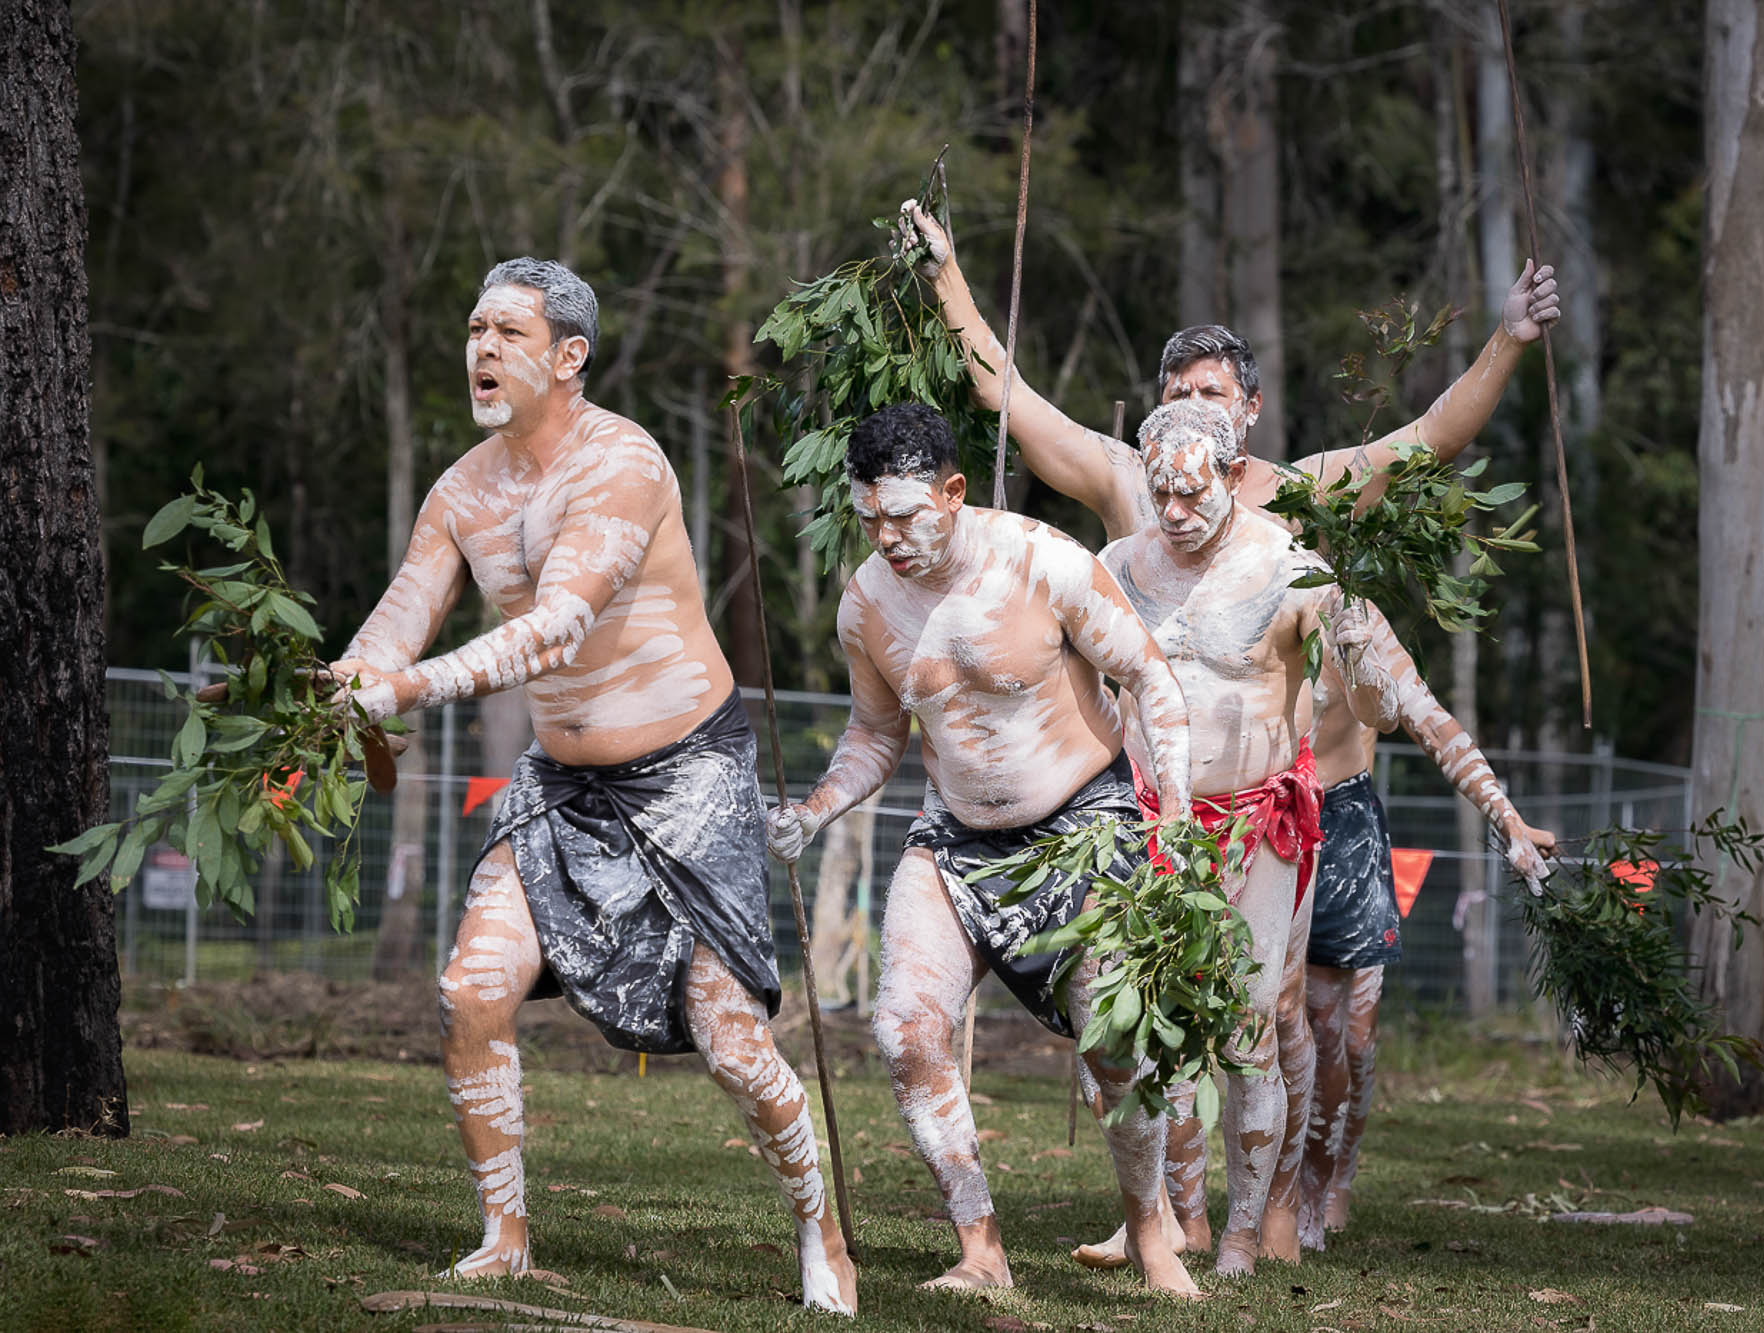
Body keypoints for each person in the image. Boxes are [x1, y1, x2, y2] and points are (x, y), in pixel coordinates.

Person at [898, 201, 1557, 1261]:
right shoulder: (1130, 487)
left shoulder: (1304, 503)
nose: (1191, 418)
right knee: (1149, 1015)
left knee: (1306, 1022)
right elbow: (1006, 395)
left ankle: (1290, 1202)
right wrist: (946, 282)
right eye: (1176, 397)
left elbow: (1428, 440)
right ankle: (1174, 1215)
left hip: (1303, 796)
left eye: (1212, 396)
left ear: (1246, 410)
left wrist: (1508, 339)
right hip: (1160, 803)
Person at [329, 258, 855, 1314]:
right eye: (474, 327)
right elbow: (398, 618)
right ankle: (504, 1235)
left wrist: (410, 689)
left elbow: (556, 624)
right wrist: (332, 692)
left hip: (688, 775)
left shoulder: (624, 463)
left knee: (730, 1042)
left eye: (507, 333)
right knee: (470, 991)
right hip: (561, 784)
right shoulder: (461, 492)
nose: (480, 347)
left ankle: (824, 1231)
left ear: (567, 356)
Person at [763, 402, 1204, 1297]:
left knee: (1113, 1035)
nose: (884, 535)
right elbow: (874, 735)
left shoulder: (1045, 562)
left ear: (954, 493)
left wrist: (1178, 812)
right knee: (904, 1026)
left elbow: (1149, 676)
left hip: (1083, 819)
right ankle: (981, 1247)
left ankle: (1153, 1234)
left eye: (903, 515)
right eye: (868, 517)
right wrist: (812, 810)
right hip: (956, 833)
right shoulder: (866, 604)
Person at [1094, 398, 1398, 1277]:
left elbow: (1384, 693)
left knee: (1257, 1019)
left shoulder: (1292, 569)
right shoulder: (1117, 565)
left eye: (1193, 493)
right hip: (1155, 823)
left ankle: (1252, 1224)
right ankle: (1160, 1217)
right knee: (1132, 1027)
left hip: (1269, 818)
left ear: (1235, 472)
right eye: (1161, 495)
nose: (1175, 512)